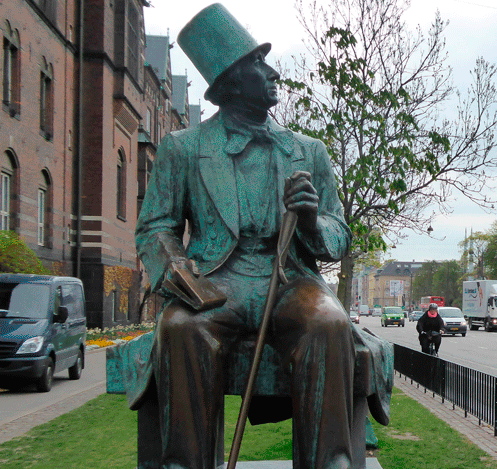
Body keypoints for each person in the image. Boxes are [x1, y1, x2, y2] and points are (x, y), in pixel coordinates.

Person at [128, 5, 390, 468]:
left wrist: (310, 221)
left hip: (291, 281)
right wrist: (178, 270)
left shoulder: (309, 151)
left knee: (328, 323)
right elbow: (155, 227)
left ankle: (330, 462)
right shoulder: (183, 149)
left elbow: (339, 234)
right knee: (181, 328)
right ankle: (184, 463)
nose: (273, 73)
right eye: (257, 63)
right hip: (215, 280)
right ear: (230, 81)